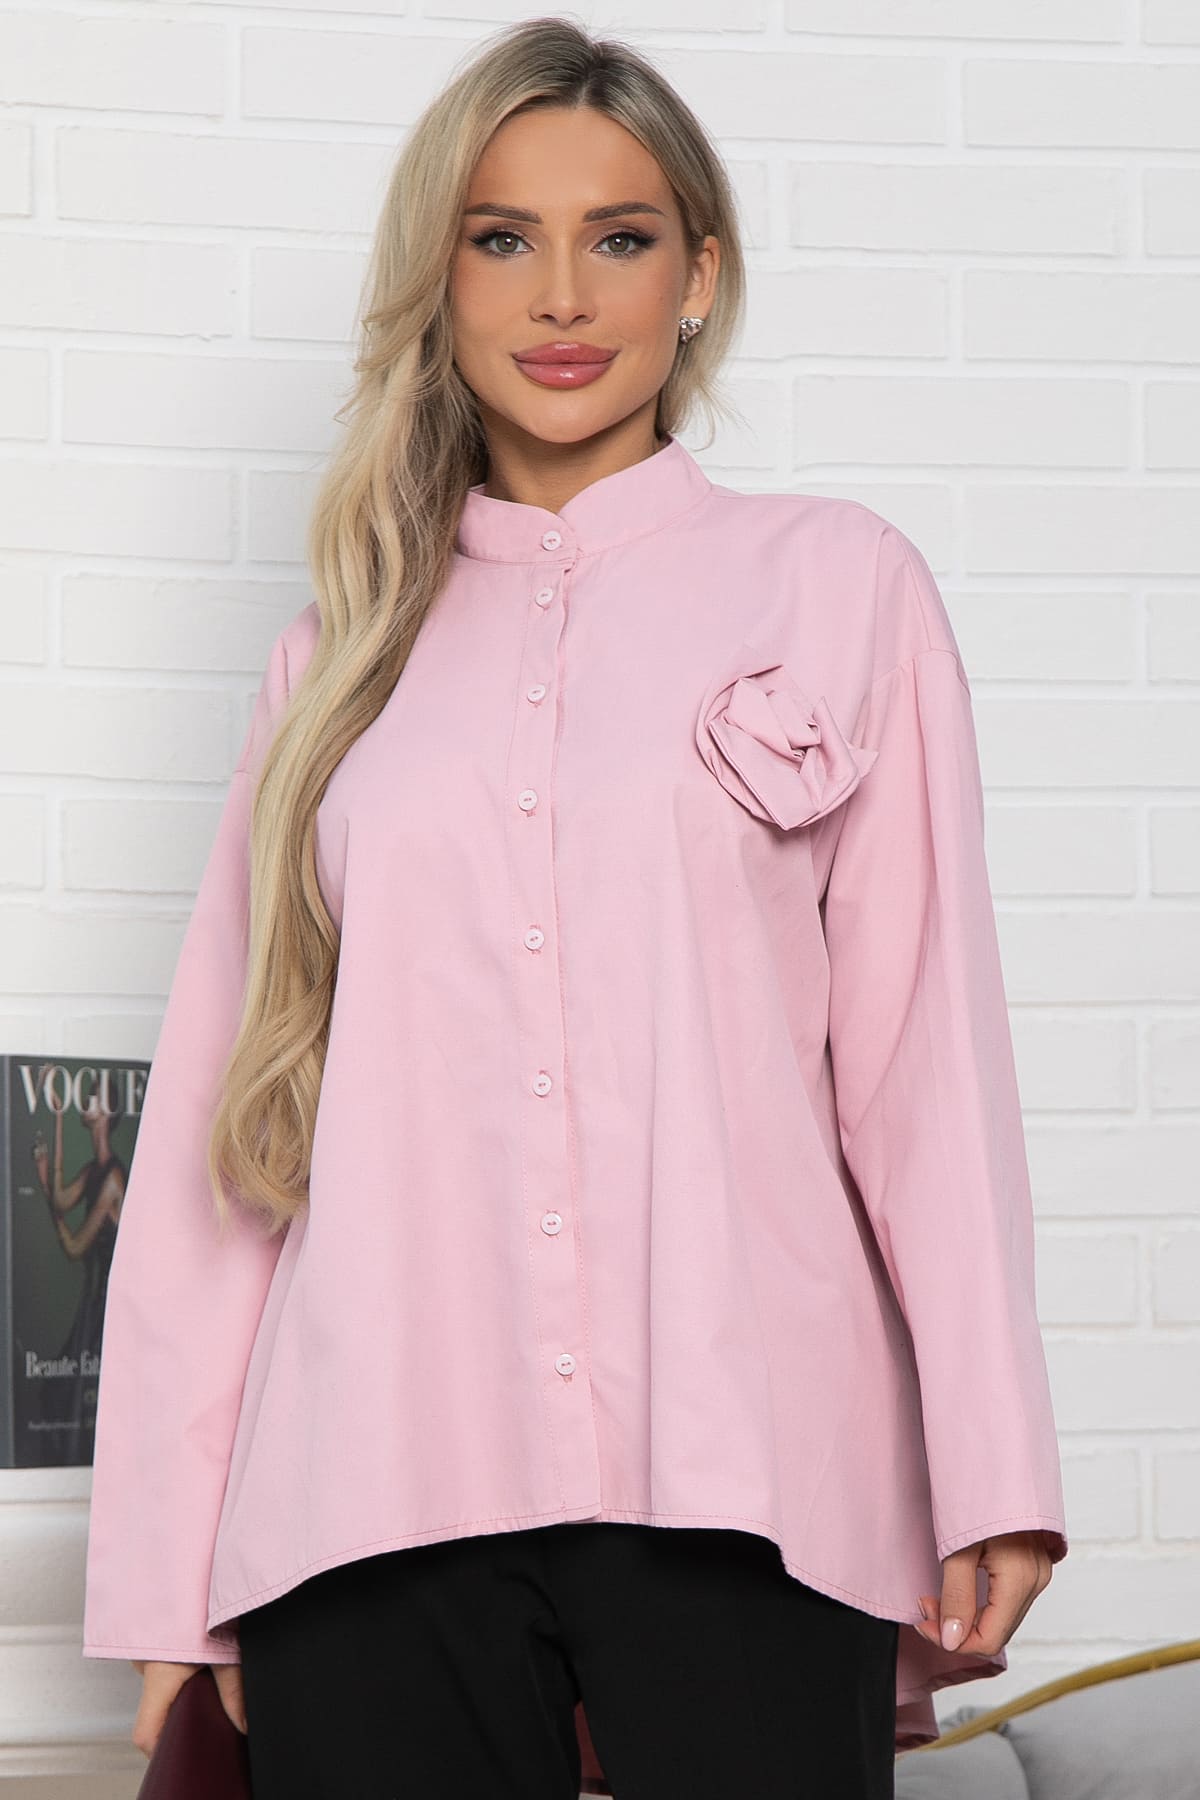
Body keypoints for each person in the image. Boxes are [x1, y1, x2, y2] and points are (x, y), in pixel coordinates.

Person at [81, 15, 1068, 1799]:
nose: (561, 293)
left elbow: (928, 1074)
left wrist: (993, 1462)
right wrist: (163, 1570)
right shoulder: (331, 663)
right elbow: (233, 1136)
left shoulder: (841, 588)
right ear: (441, 281)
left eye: (619, 236)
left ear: (700, 277)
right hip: (368, 1499)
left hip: (752, 1480)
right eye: (500, 237)